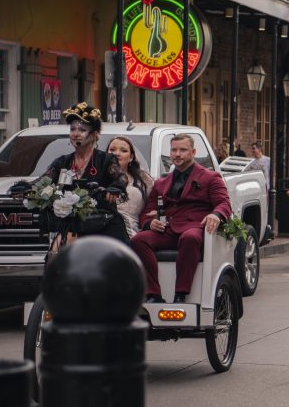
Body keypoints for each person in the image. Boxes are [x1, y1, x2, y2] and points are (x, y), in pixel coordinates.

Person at [131, 134, 232, 304]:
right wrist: (149, 223)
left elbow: (224, 203)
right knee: (139, 239)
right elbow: (147, 211)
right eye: (174, 150)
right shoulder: (161, 183)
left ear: (193, 152)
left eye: (183, 150)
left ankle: (181, 294)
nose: (177, 154)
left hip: (196, 227)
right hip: (169, 229)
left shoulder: (210, 177)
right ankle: (154, 294)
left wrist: (215, 214)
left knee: (190, 237)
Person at [41, 103, 129, 243]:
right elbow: (44, 182)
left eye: (82, 130)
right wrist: (27, 188)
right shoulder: (63, 162)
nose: (75, 134)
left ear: (94, 135)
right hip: (73, 224)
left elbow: (121, 177)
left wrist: (116, 188)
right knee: (54, 257)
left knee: (117, 259)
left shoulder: (106, 160)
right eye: (72, 129)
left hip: (103, 222)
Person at [108, 136, 154, 239]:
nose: (117, 153)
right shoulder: (99, 176)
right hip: (104, 232)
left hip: (133, 234)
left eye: (123, 150)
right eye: (112, 150)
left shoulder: (144, 179)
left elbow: (152, 205)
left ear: (131, 157)